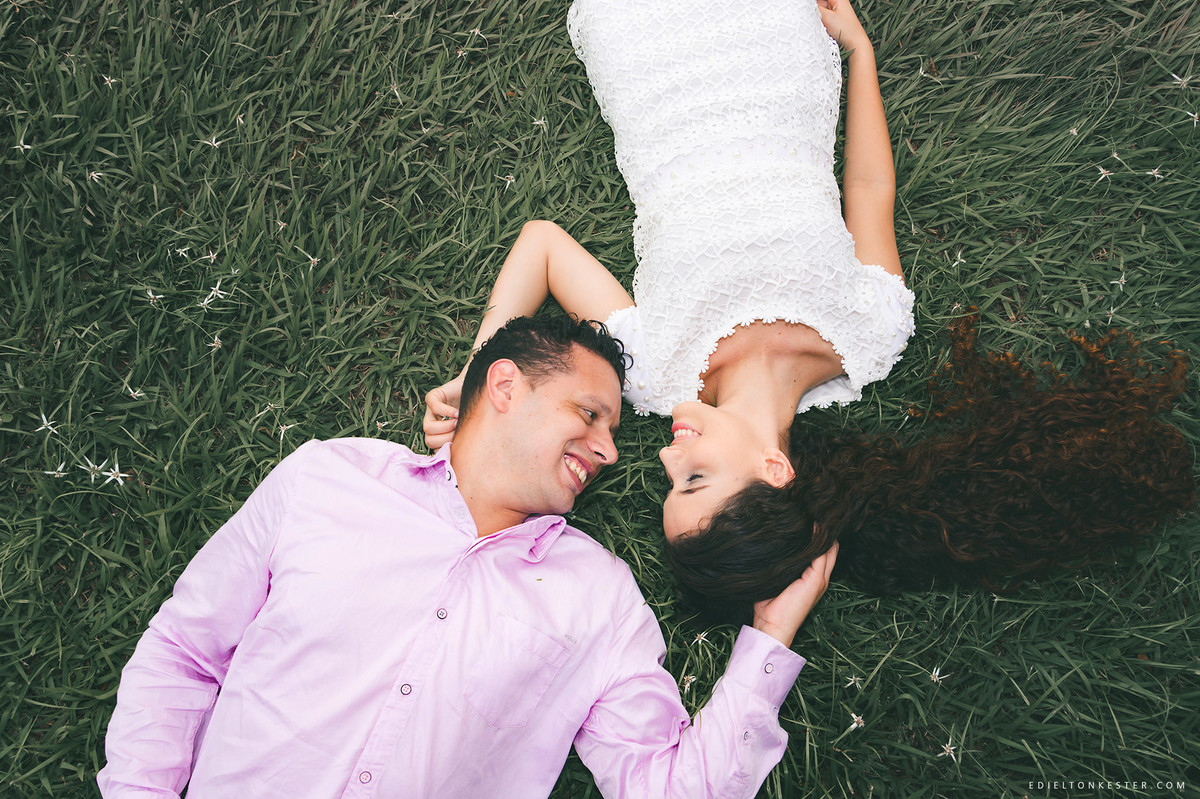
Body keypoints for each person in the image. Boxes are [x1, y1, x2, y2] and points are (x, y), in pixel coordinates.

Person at [426, 0, 1195, 626]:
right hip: (776, 56)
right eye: (693, 479)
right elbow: (868, 194)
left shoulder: (654, 370)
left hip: (653, 68)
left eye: (670, 483)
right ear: (773, 469)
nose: (662, 457)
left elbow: (544, 246)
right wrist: (860, 54)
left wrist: (473, 376)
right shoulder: (872, 334)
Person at [98, 315, 838, 798]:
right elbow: (185, 654)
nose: (610, 450)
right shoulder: (328, 478)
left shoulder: (598, 600)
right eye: (590, 414)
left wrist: (769, 641)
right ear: (507, 386)